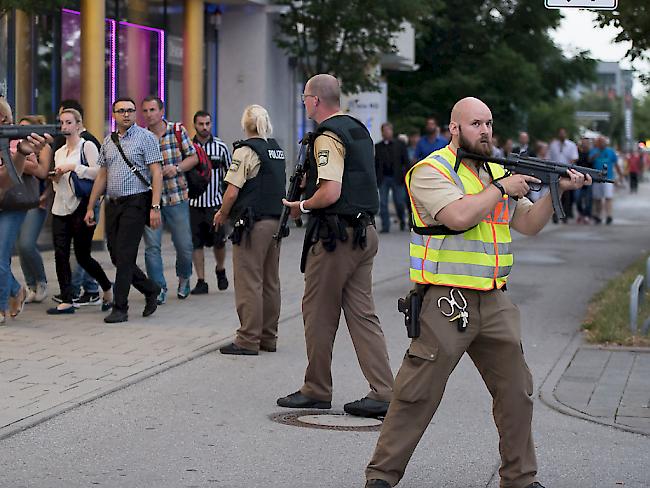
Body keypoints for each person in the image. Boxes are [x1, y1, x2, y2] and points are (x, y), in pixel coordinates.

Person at [363, 97, 590, 488]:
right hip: (446, 301)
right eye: (475, 124)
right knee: (416, 394)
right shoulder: (430, 171)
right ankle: (381, 477)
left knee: (517, 391)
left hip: (495, 299)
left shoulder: (495, 172)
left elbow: (530, 223)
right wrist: (501, 187)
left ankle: (519, 478)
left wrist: (557, 191)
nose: (484, 131)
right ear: (454, 129)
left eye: (488, 123)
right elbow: (459, 216)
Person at [277, 74, 394, 418]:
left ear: (315, 100)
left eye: (305, 98)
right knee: (362, 314)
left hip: (336, 238)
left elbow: (330, 191)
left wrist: (302, 206)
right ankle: (385, 391)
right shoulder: (358, 129)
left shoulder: (327, 137)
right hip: (364, 232)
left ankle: (316, 389)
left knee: (317, 312)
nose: (304, 103)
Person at [84, 97, 163, 323]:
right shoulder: (108, 142)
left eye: (130, 110)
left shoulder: (146, 138)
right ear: (114, 115)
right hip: (113, 204)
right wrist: (91, 205)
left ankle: (121, 308)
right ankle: (150, 289)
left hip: (136, 202)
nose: (126, 114)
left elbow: (156, 173)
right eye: (121, 111)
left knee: (126, 255)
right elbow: (102, 175)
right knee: (117, 256)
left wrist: (155, 207)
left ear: (135, 113)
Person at [214, 105, 285, 355]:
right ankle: (268, 336)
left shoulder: (245, 151)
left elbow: (232, 191)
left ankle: (247, 339)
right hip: (276, 222)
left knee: (249, 281)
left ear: (245, 124)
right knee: (270, 282)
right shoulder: (276, 150)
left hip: (253, 225)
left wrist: (222, 213)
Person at [46, 108, 113, 315]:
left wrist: (74, 167)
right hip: (60, 206)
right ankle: (67, 299)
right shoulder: (58, 152)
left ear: (78, 124)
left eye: (68, 122)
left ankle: (107, 287)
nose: (64, 126)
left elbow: (99, 173)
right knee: (60, 253)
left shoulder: (88, 146)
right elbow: (59, 184)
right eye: (62, 123)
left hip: (82, 206)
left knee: (83, 255)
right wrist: (56, 177)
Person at [0, 98, 52, 324]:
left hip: (12, 204)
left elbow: (34, 170)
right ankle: (15, 289)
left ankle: (1, 307)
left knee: (3, 256)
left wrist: (18, 156)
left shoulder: (15, 138)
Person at [141, 96, 197, 304]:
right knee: (152, 247)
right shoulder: (141, 136)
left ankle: (184, 277)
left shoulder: (177, 131)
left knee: (184, 245)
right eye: (145, 111)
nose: (149, 114)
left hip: (176, 196)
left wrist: (177, 168)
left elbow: (193, 157)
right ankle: (158, 287)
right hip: (151, 199)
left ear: (161, 111)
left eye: (152, 110)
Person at [189, 110, 232, 295]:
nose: (204, 127)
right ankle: (200, 280)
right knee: (195, 244)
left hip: (215, 204)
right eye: (201, 124)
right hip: (194, 204)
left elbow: (230, 173)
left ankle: (220, 269)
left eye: (207, 123)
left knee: (219, 242)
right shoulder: (188, 148)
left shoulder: (221, 147)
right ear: (195, 125)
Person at [15, 115, 51, 304]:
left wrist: (21, 163)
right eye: (19, 128)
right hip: (15, 200)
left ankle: (41, 281)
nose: (21, 132)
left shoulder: (43, 148)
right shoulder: (14, 147)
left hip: (37, 201)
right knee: (20, 246)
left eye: (25, 129)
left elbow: (42, 172)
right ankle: (30, 285)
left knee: (27, 243)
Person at [375, 122, 409, 233]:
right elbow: (375, 163)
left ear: (392, 131)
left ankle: (402, 219)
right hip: (383, 178)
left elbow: (406, 161)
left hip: (397, 178)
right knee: (383, 203)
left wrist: (406, 176)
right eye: (385, 130)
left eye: (389, 130)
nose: (387, 132)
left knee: (399, 201)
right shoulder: (378, 146)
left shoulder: (399, 144)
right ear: (382, 133)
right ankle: (385, 226)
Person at [549, 128, 578, 223]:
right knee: (554, 193)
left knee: (566, 195)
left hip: (566, 171)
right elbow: (550, 158)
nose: (562, 135)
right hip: (555, 171)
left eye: (563, 133)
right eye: (560, 133)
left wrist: (570, 171)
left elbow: (574, 159)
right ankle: (554, 215)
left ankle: (565, 214)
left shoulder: (571, 145)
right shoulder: (553, 145)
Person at [589, 136, 618, 225]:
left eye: (604, 142)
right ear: (598, 143)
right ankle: (598, 215)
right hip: (597, 178)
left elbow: (616, 164)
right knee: (597, 198)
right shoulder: (594, 151)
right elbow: (589, 161)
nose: (602, 143)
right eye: (600, 142)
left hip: (608, 178)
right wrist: (595, 155)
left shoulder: (610, 151)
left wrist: (619, 176)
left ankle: (609, 215)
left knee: (608, 197)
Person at [575, 137, 593, 224]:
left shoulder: (591, 153)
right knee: (577, 198)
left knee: (588, 199)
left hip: (589, 179)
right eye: (583, 142)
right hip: (579, 178)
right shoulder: (578, 153)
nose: (585, 144)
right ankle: (581, 213)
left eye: (586, 142)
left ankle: (587, 215)